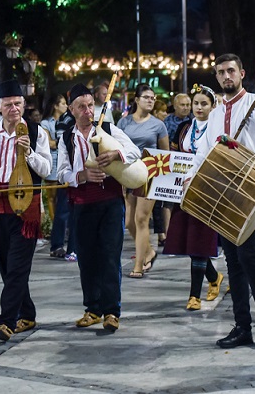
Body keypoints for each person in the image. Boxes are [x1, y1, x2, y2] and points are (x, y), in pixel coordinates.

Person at [189, 54, 255, 349]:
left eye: (231, 70)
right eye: (220, 72)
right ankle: (242, 326)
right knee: (232, 259)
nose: (226, 76)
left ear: (242, 72)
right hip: (224, 193)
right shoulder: (215, 113)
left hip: (254, 190)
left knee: (247, 253)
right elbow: (203, 151)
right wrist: (192, 177)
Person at [57, 84, 140, 334]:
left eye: (91, 105)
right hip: (81, 205)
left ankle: (111, 312)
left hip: (111, 203)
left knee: (110, 256)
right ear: (71, 110)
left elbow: (135, 152)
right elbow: (60, 172)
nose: (88, 110)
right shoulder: (66, 138)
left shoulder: (108, 129)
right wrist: (80, 176)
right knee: (87, 258)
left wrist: (117, 155)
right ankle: (92, 309)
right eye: (81, 107)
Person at [0, 80, 52, 342]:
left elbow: (47, 170)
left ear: (24, 104)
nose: (14, 108)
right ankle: (27, 313)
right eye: (8, 104)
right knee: (8, 268)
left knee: (18, 267)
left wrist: (29, 152)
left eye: (18, 103)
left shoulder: (36, 131)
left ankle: (5, 321)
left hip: (26, 207)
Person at [162, 84, 223, 310]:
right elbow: (177, 155)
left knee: (200, 238)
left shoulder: (219, 129)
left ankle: (194, 296)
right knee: (188, 240)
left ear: (213, 105)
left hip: (208, 189)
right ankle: (214, 277)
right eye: (195, 103)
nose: (198, 107)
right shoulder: (185, 127)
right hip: (184, 187)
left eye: (203, 103)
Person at [117, 84, 169, 278]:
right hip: (128, 174)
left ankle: (138, 265)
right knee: (129, 221)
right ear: (137, 100)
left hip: (150, 174)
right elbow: (118, 147)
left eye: (153, 98)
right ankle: (148, 251)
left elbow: (164, 154)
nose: (150, 100)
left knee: (141, 219)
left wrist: (162, 181)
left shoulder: (158, 124)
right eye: (146, 97)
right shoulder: (124, 122)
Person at [42, 94, 75, 260]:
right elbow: (54, 144)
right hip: (60, 166)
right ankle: (57, 244)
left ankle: (72, 246)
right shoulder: (59, 122)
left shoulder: (67, 120)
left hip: (73, 169)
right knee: (57, 203)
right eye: (63, 103)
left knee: (70, 209)